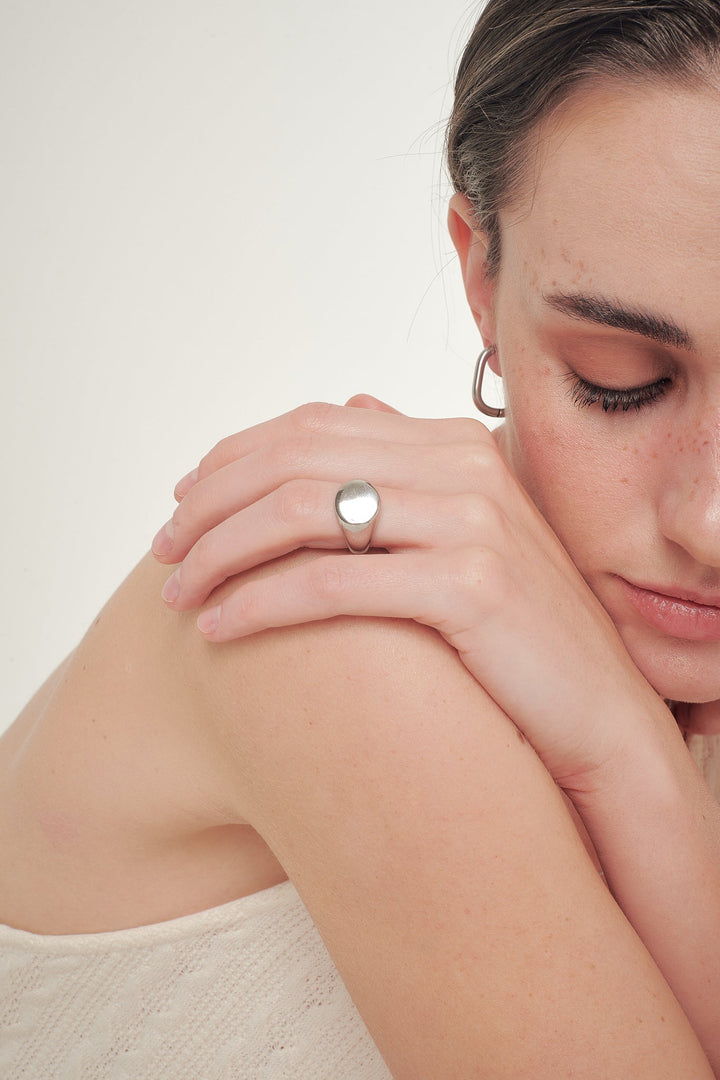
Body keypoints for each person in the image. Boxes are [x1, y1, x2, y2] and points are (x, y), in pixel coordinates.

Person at [2, 0, 720, 1076]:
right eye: (618, 381)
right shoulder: (344, 632)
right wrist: (625, 748)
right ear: (481, 276)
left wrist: (630, 757)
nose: (708, 525)